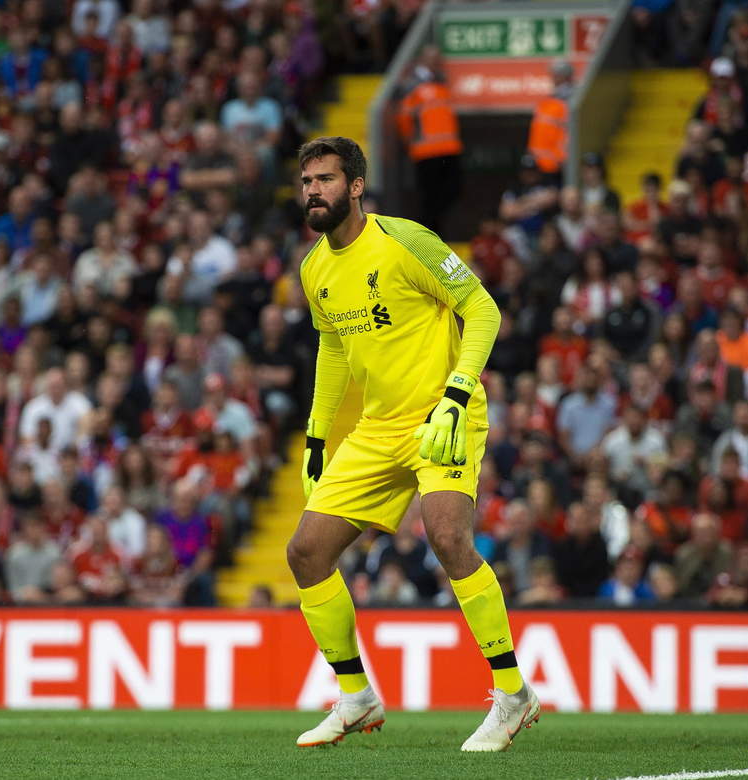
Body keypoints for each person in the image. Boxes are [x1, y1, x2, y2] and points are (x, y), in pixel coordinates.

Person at [287, 137, 538, 751]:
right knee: (306, 553)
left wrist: (457, 392)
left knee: (448, 538)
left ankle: (513, 695)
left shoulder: (405, 241)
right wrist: (317, 434)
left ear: (355, 187)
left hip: (441, 415)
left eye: (325, 179)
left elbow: (482, 309)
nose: (312, 190)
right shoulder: (314, 268)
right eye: (306, 181)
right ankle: (356, 697)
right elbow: (333, 349)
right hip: (378, 427)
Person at [396, 45, 462, 234]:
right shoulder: (412, 84)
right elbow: (404, 117)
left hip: (449, 148)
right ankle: (428, 235)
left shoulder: (441, 82)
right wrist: (411, 141)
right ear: (423, 59)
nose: (437, 62)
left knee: (452, 191)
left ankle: (432, 231)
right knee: (429, 197)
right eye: (433, 58)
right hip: (425, 151)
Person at [526, 59, 575, 180]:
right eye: (553, 74)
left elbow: (568, 133)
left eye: (557, 74)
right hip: (541, 162)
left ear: (566, 77)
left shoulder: (570, 100)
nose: (553, 78)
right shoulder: (550, 101)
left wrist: (562, 158)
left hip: (559, 164)